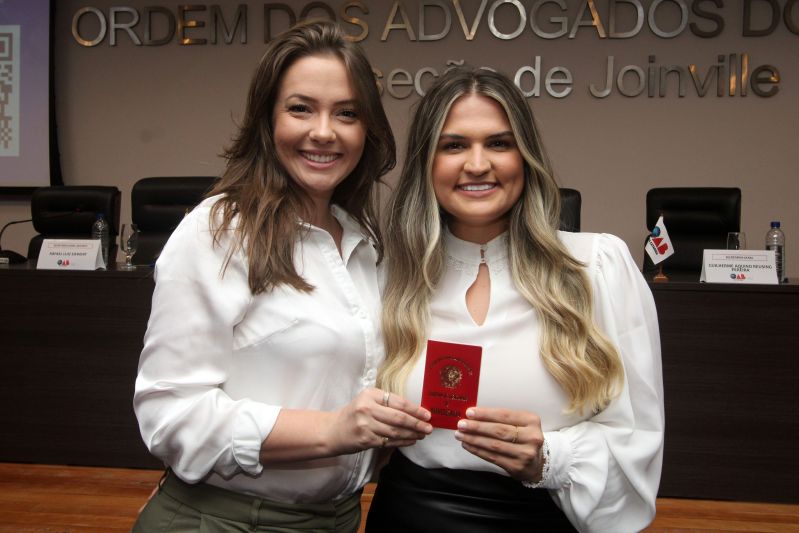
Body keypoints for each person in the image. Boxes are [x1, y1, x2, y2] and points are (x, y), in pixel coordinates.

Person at [133, 20, 432, 533]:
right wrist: (332, 430)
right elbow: (170, 415)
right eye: (300, 108)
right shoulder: (218, 231)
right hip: (225, 521)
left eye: (347, 113)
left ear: (368, 130)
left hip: (339, 518)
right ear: (267, 120)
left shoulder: (363, 242)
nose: (324, 131)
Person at [367, 67, 664, 532]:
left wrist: (550, 457)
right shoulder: (391, 276)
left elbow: (638, 437)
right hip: (407, 515)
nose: (477, 164)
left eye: (499, 143)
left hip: (538, 518)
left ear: (525, 157)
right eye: (454, 145)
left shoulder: (596, 268)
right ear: (427, 163)